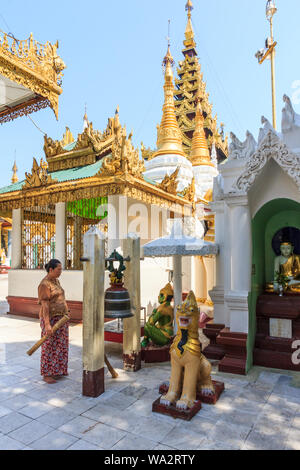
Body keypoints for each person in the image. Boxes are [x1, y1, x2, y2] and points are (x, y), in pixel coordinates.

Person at [38, 259, 69, 384]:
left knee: (61, 345)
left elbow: (61, 298)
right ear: (51, 269)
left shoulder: (56, 281)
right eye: (59, 269)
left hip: (62, 318)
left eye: (61, 269)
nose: (60, 271)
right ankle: (47, 374)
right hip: (51, 319)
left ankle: (58, 370)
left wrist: (67, 311)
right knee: (49, 346)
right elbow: (45, 305)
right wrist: (47, 324)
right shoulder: (44, 284)